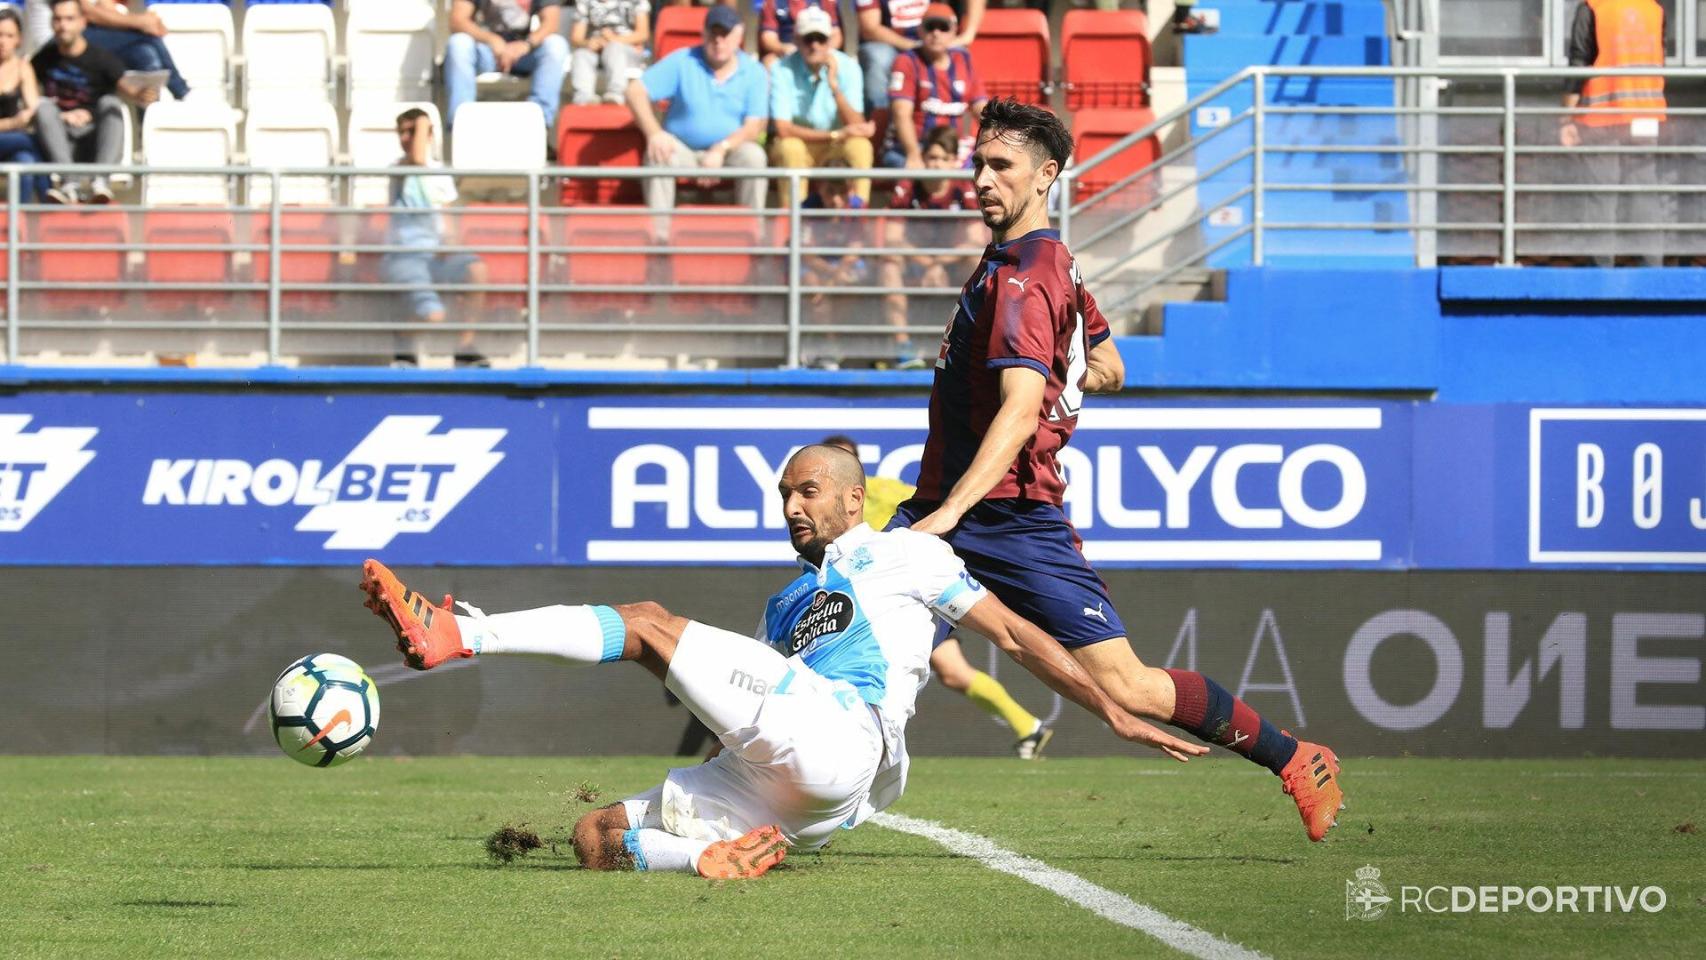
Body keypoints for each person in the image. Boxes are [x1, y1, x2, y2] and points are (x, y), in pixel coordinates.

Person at [361, 445, 1204, 877]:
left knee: (650, 619)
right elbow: (743, 705)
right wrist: (663, 663)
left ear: (851, 496)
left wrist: (1113, 708)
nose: (793, 506)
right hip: (789, 792)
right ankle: (710, 861)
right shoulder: (785, 603)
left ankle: (456, 636)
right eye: (784, 496)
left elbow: (1018, 637)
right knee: (593, 838)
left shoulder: (909, 554)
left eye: (808, 492)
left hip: (846, 737)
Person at [891, 98, 1347, 842]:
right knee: (840, 615)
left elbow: (1016, 411)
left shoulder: (1028, 275)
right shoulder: (1043, 263)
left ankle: (1297, 758)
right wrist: (1066, 378)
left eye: (999, 166)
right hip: (951, 506)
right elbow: (1109, 365)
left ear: (1047, 176)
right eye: (977, 163)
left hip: (1005, 514)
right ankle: (750, 792)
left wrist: (945, 516)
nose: (980, 179)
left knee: (1129, 685)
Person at [822, 434, 1053, 758]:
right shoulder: (818, 509)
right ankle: (1029, 727)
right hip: (863, 606)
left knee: (896, 669)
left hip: (909, 600)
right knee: (953, 672)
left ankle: (867, 747)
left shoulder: (887, 492)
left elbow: (940, 514)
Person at [625, 4, 768, 213]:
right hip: (682, 150)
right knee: (658, 154)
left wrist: (720, 149)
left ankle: (756, 236)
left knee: (755, 157)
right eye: (713, 33)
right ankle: (659, 237)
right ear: (703, 33)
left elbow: (753, 127)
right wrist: (654, 133)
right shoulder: (684, 60)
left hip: (730, 152)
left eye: (725, 34)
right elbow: (635, 91)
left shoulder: (754, 72)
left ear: (739, 36)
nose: (718, 41)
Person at [1560, 0, 1671, 266]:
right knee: (1645, 193)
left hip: (1602, 116)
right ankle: (1653, 269)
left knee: (1602, 196)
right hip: (1645, 116)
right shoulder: (1653, 9)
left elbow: (1579, 63)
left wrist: (1566, 119)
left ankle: (1601, 272)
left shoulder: (1594, 6)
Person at [382, 108, 489, 368]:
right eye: (403, 132)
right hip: (406, 256)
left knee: (477, 270)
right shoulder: (400, 168)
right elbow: (418, 157)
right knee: (434, 315)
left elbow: (448, 218)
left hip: (437, 256)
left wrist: (450, 242)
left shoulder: (439, 172)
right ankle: (404, 339)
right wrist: (422, 121)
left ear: (430, 134)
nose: (407, 137)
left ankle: (464, 348)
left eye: (412, 131)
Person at [32, 0, 157, 205]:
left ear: (83, 22)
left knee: (111, 104)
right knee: (44, 108)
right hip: (60, 139)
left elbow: (128, 88)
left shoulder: (102, 58)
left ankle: (101, 182)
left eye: (70, 19)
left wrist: (143, 94)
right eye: (58, 19)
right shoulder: (43, 59)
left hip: (94, 139)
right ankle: (68, 183)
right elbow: (27, 95)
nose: (63, 25)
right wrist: (61, 115)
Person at [877, 124, 980, 367]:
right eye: (932, 157)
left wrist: (939, 264)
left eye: (944, 159)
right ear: (922, 159)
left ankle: (974, 345)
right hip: (914, 265)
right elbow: (892, 239)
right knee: (889, 265)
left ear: (955, 161)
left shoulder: (965, 188)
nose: (937, 165)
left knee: (979, 263)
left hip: (951, 267)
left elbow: (975, 241)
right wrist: (927, 264)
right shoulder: (908, 187)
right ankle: (903, 349)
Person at [769, 5, 873, 204]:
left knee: (860, 147)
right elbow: (783, 129)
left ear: (830, 41)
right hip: (806, 144)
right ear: (797, 40)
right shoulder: (780, 69)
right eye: (809, 39)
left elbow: (856, 123)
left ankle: (859, 221)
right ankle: (793, 225)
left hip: (835, 145)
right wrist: (835, 134)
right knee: (790, 148)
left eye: (821, 39)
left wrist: (835, 87)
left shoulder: (849, 67)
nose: (814, 45)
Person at [882, 3, 986, 170]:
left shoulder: (964, 59)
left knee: (984, 169)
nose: (936, 33)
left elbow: (981, 108)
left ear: (954, 31)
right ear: (920, 31)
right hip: (910, 149)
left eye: (943, 27)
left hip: (952, 151)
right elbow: (901, 113)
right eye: (930, 27)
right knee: (922, 173)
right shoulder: (906, 61)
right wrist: (913, 153)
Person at [444, 0, 571, 133]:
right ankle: (461, 124)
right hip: (485, 51)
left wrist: (526, 44)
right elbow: (457, 21)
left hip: (524, 53)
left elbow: (551, 23)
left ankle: (538, 124)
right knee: (458, 43)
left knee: (556, 45)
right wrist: (491, 39)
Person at [856, 0, 983, 112]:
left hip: (930, 37)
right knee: (879, 57)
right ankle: (878, 123)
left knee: (960, 54)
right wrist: (916, 46)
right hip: (891, 44)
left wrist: (969, 33)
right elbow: (870, 28)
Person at [78, 0, 190, 102]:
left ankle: (150, 117)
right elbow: (88, 13)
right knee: (148, 36)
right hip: (78, 35)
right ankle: (181, 91)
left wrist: (145, 21)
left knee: (145, 54)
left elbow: (106, 7)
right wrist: (141, 23)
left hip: (104, 33)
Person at [0, 7, 47, 203]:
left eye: (9, 35)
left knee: (26, 162)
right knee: (34, 142)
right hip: (14, 137)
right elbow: (20, 121)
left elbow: (33, 107)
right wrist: (13, 123)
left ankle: (19, 227)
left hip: (10, 143)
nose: (2, 41)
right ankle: (49, 198)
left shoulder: (22, 67)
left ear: (19, 39)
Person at [568, 0, 649, 106]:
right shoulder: (584, 2)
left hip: (627, 51)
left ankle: (615, 95)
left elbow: (643, 34)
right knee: (581, 54)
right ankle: (583, 98)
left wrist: (614, 39)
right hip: (595, 50)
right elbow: (576, 38)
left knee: (614, 48)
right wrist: (589, 43)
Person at [759, 0, 841, 67]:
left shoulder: (825, 1)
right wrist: (784, 49)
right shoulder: (773, 2)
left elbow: (836, 35)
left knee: (836, 61)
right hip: (787, 51)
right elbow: (768, 38)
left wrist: (824, 51)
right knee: (770, 62)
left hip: (820, 48)